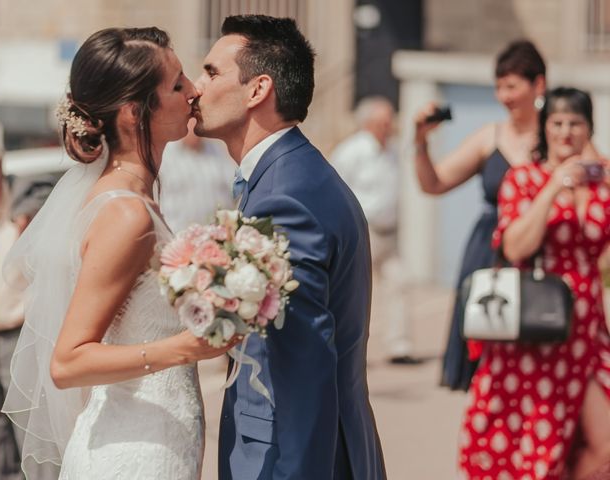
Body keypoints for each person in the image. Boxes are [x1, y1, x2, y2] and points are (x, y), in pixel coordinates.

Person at [1, 27, 236, 479]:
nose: (194, 90)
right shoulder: (126, 214)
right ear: (134, 112)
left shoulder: (132, 198)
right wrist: (184, 347)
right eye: (177, 83)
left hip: (153, 438)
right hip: (134, 454)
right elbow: (68, 362)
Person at [193, 14, 386, 479]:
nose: (195, 88)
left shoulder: (286, 198)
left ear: (258, 90)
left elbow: (305, 369)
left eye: (211, 72)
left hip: (288, 458)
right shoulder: (289, 176)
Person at [459, 87, 610, 479]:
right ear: (545, 128)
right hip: (537, 329)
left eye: (575, 123)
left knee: (603, 443)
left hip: (589, 332)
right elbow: (515, 245)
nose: (566, 132)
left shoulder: (601, 186)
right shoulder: (524, 179)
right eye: (557, 123)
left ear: (588, 128)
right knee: (534, 446)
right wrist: (553, 187)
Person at [413, 40, 548, 390]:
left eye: (512, 85)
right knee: (488, 368)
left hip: (543, 254)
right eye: (499, 86)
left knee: (541, 360)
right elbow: (434, 183)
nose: (504, 95)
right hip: (489, 255)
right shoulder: (489, 136)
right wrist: (420, 142)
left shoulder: (558, 135)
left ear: (539, 85)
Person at [0, 139, 58, 480]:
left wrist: (27, 212)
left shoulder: (25, 206)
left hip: (21, 338)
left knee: (32, 442)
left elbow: (43, 187)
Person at [331, 96, 415, 364]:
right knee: (355, 291)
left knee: (399, 284)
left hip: (390, 231)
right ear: (368, 123)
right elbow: (335, 189)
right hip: (363, 231)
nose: (388, 126)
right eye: (383, 121)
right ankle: (348, 346)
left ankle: (398, 345)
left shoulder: (393, 150)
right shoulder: (351, 151)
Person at [159, 117, 233, 232]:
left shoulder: (216, 150)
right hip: (177, 237)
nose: (194, 126)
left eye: (198, 120)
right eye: (190, 120)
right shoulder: (165, 154)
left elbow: (233, 188)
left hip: (215, 237)